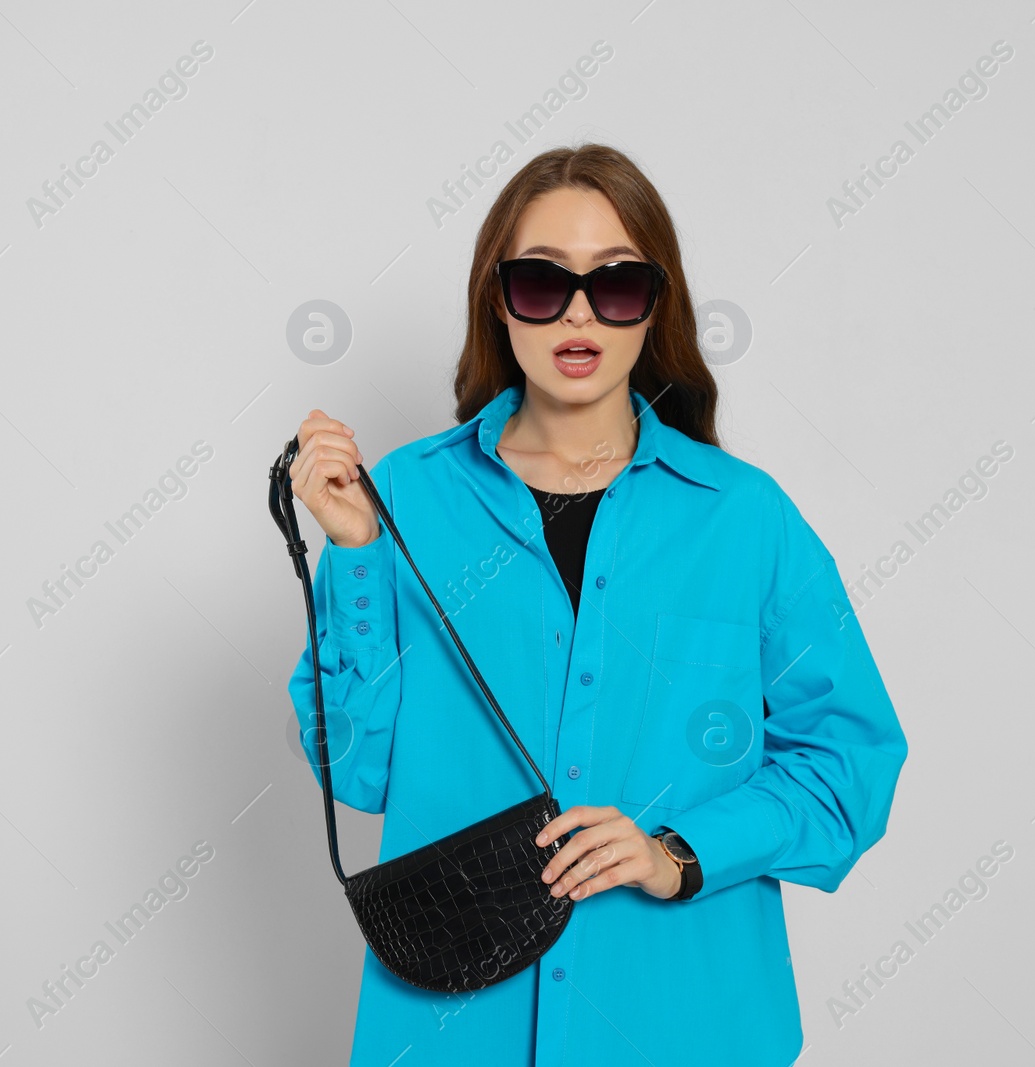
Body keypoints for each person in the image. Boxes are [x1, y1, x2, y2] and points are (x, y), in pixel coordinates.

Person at [285, 143, 907, 1065]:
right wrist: (355, 553)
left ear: (657, 304)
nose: (578, 312)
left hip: (685, 1026)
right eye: (542, 281)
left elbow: (849, 758)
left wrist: (681, 850)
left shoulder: (744, 518)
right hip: (455, 1031)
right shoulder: (401, 502)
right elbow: (361, 772)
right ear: (499, 299)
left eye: (615, 285)